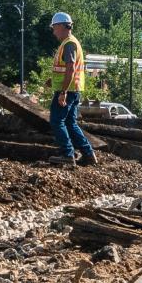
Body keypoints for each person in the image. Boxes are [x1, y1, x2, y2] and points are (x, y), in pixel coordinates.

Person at [47, 12, 97, 167]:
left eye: (54, 28)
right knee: (70, 122)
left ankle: (68, 154)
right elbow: (65, 70)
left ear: (62, 26)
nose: (54, 32)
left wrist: (63, 92)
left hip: (67, 91)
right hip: (73, 89)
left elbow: (70, 69)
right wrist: (53, 80)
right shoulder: (70, 43)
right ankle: (88, 154)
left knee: (56, 121)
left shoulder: (69, 44)